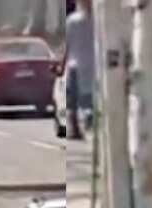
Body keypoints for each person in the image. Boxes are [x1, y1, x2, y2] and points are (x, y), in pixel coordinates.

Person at [62, 0, 95, 140]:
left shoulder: (71, 20)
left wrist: (62, 65)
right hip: (90, 64)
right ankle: (82, 126)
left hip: (74, 64)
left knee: (73, 101)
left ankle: (74, 129)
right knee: (86, 98)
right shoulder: (97, 20)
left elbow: (67, 46)